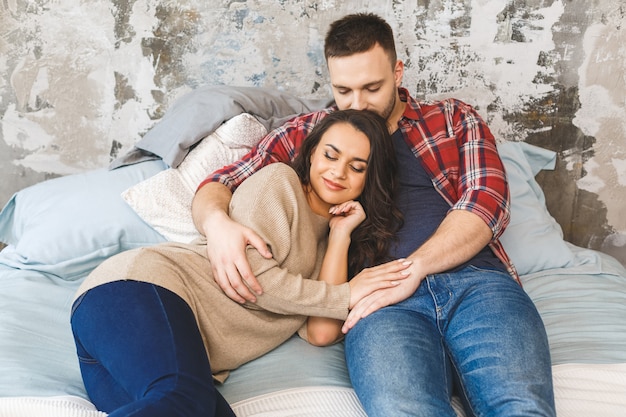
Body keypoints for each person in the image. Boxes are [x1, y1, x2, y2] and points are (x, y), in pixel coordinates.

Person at [192, 13, 556, 417]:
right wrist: (217, 224)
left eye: (372, 87)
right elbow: (220, 183)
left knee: (522, 406)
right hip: (378, 304)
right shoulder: (311, 132)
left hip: (476, 285)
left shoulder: (452, 119)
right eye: (343, 90)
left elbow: (487, 202)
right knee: (404, 410)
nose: (357, 104)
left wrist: (413, 269)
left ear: (397, 72)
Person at [70, 109, 408, 417]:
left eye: (357, 167)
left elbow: (321, 331)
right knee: (181, 397)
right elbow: (254, 280)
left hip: (136, 345)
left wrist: (340, 236)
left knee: (193, 406)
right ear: (312, 152)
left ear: (370, 178)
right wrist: (346, 295)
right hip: (139, 291)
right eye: (330, 155)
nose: (338, 171)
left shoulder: (333, 245)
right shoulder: (279, 182)